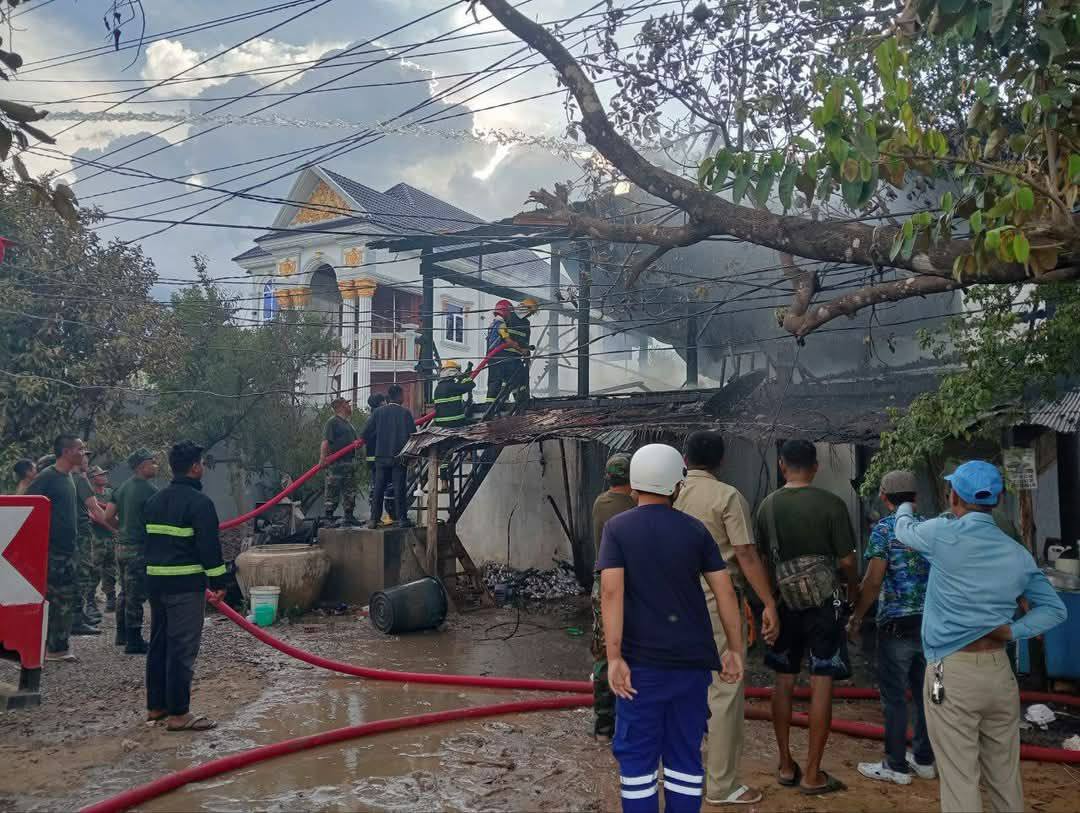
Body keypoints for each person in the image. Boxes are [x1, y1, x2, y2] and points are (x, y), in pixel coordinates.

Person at [894, 460, 1067, 813]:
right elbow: (1055, 610)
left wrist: (904, 505)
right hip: (999, 673)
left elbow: (903, 531)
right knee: (1005, 778)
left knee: (961, 781)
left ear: (953, 497)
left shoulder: (942, 534)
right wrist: (1013, 631)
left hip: (950, 671)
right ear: (998, 499)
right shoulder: (1017, 554)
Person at [599, 443, 745, 813]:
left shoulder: (618, 529)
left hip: (639, 668)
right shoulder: (695, 530)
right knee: (684, 757)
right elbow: (725, 592)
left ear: (634, 484)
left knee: (637, 761)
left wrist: (613, 657)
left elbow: (612, 593)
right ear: (677, 486)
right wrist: (734, 649)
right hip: (691, 667)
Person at [674, 430, 779, 806]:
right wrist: (768, 602)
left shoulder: (670, 493)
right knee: (724, 689)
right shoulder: (727, 496)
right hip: (717, 603)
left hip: (672, 604)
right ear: (721, 460)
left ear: (685, 460)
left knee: (678, 688)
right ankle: (722, 785)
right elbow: (745, 554)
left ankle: (677, 774)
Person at [755, 439, 858, 796]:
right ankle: (813, 774)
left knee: (783, 681)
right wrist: (852, 592)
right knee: (821, 682)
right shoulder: (832, 504)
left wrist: (769, 603)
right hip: (825, 605)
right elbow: (847, 561)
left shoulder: (767, 506)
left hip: (783, 603)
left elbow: (763, 562)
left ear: (782, 465)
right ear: (815, 467)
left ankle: (786, 765)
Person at [848, 470, 935, 786]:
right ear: (916, 497)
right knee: (928, 695)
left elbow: (873, 581)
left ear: (884, 498)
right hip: (931, 625)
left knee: (895, 698)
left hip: (896, 626)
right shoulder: (931, 528)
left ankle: (896, 765)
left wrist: (857, 616)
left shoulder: (884, 530)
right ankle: (924, 760)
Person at [143, 441, 228, 732]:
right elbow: (209, 549)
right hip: (185, 586)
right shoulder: (200, 503)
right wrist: (219, 582)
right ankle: (179, 714)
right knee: (182, 648)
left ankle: (156, 706)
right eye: (200, 463)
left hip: (156, 583)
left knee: (159, 644)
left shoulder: (154, 501)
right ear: (195, 468)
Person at [26, 435, 88, 661]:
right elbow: (28, 507)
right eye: (80, 449)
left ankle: (57, 646)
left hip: (69, 550)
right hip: (53, 551)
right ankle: (51, 648)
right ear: (67, 451)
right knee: (56, 598)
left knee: (66, 598)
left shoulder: (69, 477)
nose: (83, 453)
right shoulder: (47, 477)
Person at [590, 453, 636, 740]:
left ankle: (603, 724)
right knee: (631, 650)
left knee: (605, 652)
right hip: (628, 585)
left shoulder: (600, 503)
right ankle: (626, 720)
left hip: (601, 584)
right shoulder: (633, 506)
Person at [107, 448, 159, 654]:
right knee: (135, 595)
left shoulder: (121, 488)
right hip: (138, 548)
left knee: (124, 592)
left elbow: (107, 516)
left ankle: (121, 635)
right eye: (152, 462)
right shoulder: (150, 490)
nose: (155, 466)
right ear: (141, 466)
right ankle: (134, 641)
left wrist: (122, 528)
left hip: (121, 548)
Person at [362, 383, 417, 528]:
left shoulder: (378, 413)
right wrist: (413, 457)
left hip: (381, 458)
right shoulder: (405, 413)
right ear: (399, 396)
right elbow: (413, 436)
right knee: (399, 489)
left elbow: (365, 433)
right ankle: (402, 519)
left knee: (378, 489)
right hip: (399, 458)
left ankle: (374, 519)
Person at [74, 458, 111, 630]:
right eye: (100, 474)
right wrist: (114, 528)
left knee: (106, 571)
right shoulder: (80, 481)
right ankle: (79, 615)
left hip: (89, 535)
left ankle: (80, 613)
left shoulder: (74, 479)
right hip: (89, 536)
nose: (85, 458)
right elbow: (94, 510)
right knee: (86, 573)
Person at [321, 397, 359, 527]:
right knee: (332, 490)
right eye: (347, 404)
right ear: (341, 406)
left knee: (350, 491)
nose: (350, 406)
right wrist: (322, 458)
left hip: (348, 463)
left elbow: (355, 442)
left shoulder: (349, 424)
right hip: (336, 463)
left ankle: (349, 516)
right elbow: (325, 441)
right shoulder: (332, 422)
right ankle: (328, 517)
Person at [88, 465, 119, 613]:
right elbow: (94, 515)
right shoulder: (89, 494)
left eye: (104, 474)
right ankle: (90, 601)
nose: (104, 477)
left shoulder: (110, 492)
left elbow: (117, 509)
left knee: (110, 569)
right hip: (96, 538)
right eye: (100, 475)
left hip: (110, 538)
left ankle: (111, 599)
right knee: (94, 570)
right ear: (93, 478)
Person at [504, 298, 537, 405]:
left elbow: (526, 341)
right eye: (530, 312)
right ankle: (503, 401)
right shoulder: (508, 317)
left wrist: (527, 355)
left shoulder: (526, 323)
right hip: (504, 356)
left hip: (517, 356)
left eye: (531, 314)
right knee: (506, 380)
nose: (530, 315)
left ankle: (522, 401)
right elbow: (502, 335)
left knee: (521, 379)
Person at [485, 299, 515, 407]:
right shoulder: (501, 324)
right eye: (510, 313)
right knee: (498, 380)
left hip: (491, 356)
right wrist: (520, 348)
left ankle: (491, 403)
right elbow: (508, 340)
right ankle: (492, 405)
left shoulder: (492, 324)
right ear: (506, 311)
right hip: (498, 355)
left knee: (494, 380)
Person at [365, 392, 387, 524]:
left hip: (374, 459)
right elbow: (366, 434)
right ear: (381, 403)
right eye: (384, 401)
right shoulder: (378, 417)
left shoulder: (372, 417)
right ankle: (375, 517)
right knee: (378, 488)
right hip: (378, 459)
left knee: (377, 487)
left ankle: (375, 517)